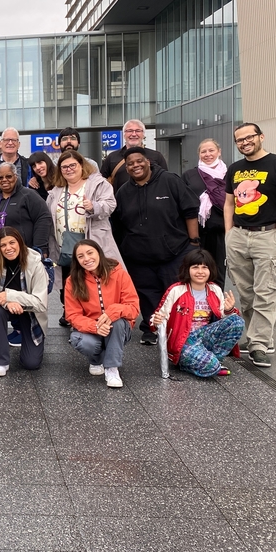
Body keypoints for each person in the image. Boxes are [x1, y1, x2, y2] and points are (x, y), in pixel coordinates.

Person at [223, 122, 276, 368]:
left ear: (261, 137)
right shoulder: (235, 169)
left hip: (268, 235)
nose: (245, 142)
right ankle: (259, 337)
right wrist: (229, 233)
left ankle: (258, 344)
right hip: (238, 236)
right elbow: (229, 203)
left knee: (266, 293)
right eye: (240, 140)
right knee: (246, 294)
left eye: (249, 137)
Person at [113, 146, 199, 345]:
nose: (135, 166)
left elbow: (190, 210)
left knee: (174, 291)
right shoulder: (123, 191)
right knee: (147, 293)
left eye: (139, 161)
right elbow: (118, 223)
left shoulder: (170, 180)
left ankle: (178, 328)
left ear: (148, 162)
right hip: (138, 256)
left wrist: (194, 242)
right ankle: (151, 328)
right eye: (130, 164)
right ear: (126, 168)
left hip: (174, 250)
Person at [47, 149, 122, 327]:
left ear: (82, 165)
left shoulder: (97, 184)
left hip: (92, 243)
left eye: (73, 165)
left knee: (94, 282)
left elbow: (111, 204)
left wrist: (94, 206)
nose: (69, 169)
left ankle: (99, 318)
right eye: (64, 167)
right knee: (71, 283)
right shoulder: (57, 190)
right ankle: (77, 319)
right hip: (65, 247)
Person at [151, 249, 245, 378]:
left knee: (237, 321)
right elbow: (156, 318)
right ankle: (195, 363)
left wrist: (229, 310)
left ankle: (215, 359)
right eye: (195, 267)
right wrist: (156, 322)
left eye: (204, 267)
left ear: (210, 270)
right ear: (187, 269)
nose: (200, 271)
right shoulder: (176, 290)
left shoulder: (214, 289)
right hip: (183, 341)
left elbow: (224, 318)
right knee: (211, 368)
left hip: (204, 335)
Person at [63, 239, 139, 389]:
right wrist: (95, 326)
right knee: (80, 340)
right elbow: (72, 315)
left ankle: (112, 369)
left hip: (118, 329)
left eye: (90, 253)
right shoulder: (73, 280)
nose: (86, 259)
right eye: (80, 256)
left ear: (99, 253)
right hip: (92, 330)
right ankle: (96, 360)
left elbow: (134, 308)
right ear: (77, 260)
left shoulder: (120, 274)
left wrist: (113, 312)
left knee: (117, 322)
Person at [0, 228, 48, 377]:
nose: (8, 248)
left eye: (12, 243)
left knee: (31, 363)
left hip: (29, 311)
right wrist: (6, 302)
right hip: (3, 308)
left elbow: (40, 303)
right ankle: (1, 361)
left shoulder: (35, 263)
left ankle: (25, 337)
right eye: (3, 245)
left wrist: (10, 295)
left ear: (20, 243)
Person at [0, 162, 53, 257]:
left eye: (9, 176)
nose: (4, 180)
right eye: (0, 178)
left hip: (25, 256)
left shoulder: (28, 195)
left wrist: (40, 249)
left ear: (16, 177)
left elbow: (43, 218)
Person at [183, 139, 228, 287]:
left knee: (218, 270)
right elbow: (183, 201)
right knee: (196, 269)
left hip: (222, 231)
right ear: (199, 154)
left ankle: (216, 299)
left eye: (211, 150)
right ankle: (197, 299)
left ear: (219, 152)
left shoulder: (229, 174)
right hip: (198, 232)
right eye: (203, 151)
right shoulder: (190, 175)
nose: (207, 154)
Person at [100, 119, 168, 189]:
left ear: (143, 134)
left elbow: (165, 181)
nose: (134, 134)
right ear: (124, 134)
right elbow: (101, 182)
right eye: (130, 131)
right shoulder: (112, 157)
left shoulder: (156, 156)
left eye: (138, 131)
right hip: (121, 195)